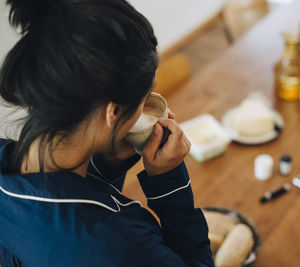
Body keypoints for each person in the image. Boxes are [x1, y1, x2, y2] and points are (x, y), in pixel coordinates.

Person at [0, 0, 213, 266]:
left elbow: (68, 199)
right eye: (144, 98)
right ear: (112, 113)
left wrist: (108, 163)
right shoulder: (116, 241)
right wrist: (169, 183)